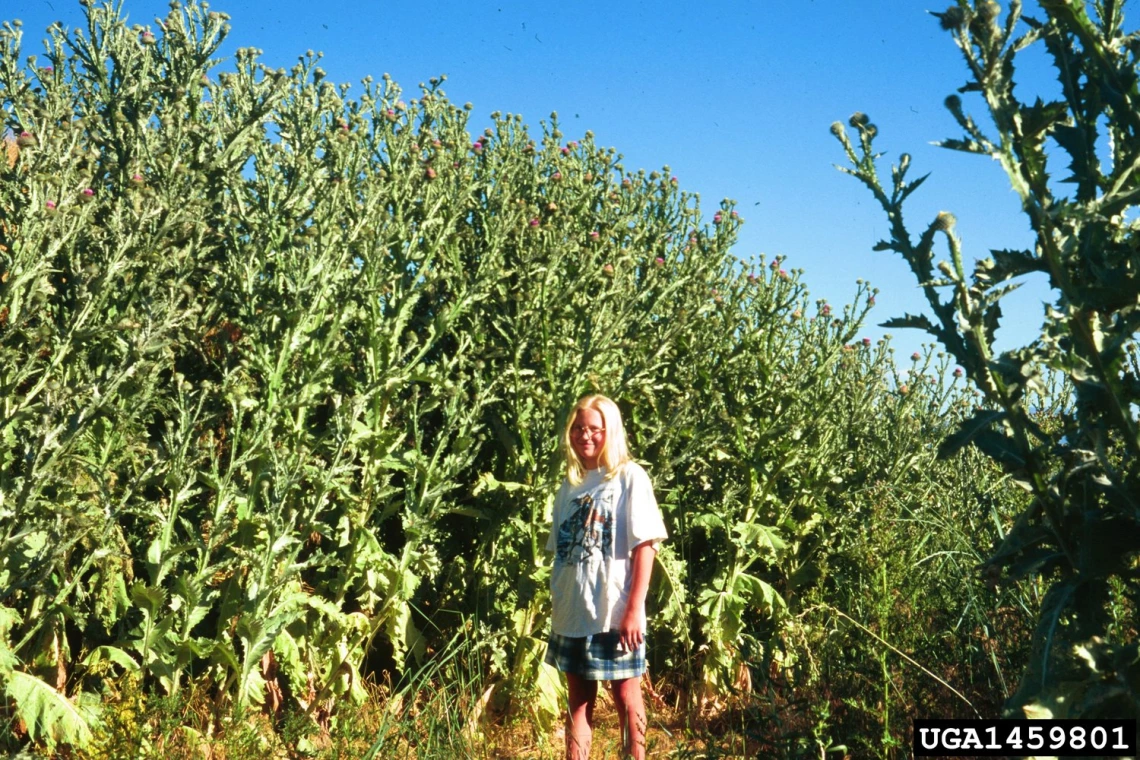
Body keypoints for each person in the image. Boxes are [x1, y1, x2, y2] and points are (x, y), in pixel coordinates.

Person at [545, 394, 668, 760]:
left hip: (612, 612)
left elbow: (646, 545)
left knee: (626, 697)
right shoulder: (570, 484)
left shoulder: (628, 477)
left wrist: (633, 610)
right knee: (578, 704)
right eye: (579, 428)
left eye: (595, 429)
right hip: (571, 612)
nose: (586, 436)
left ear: (609, 432)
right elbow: (563, 553)